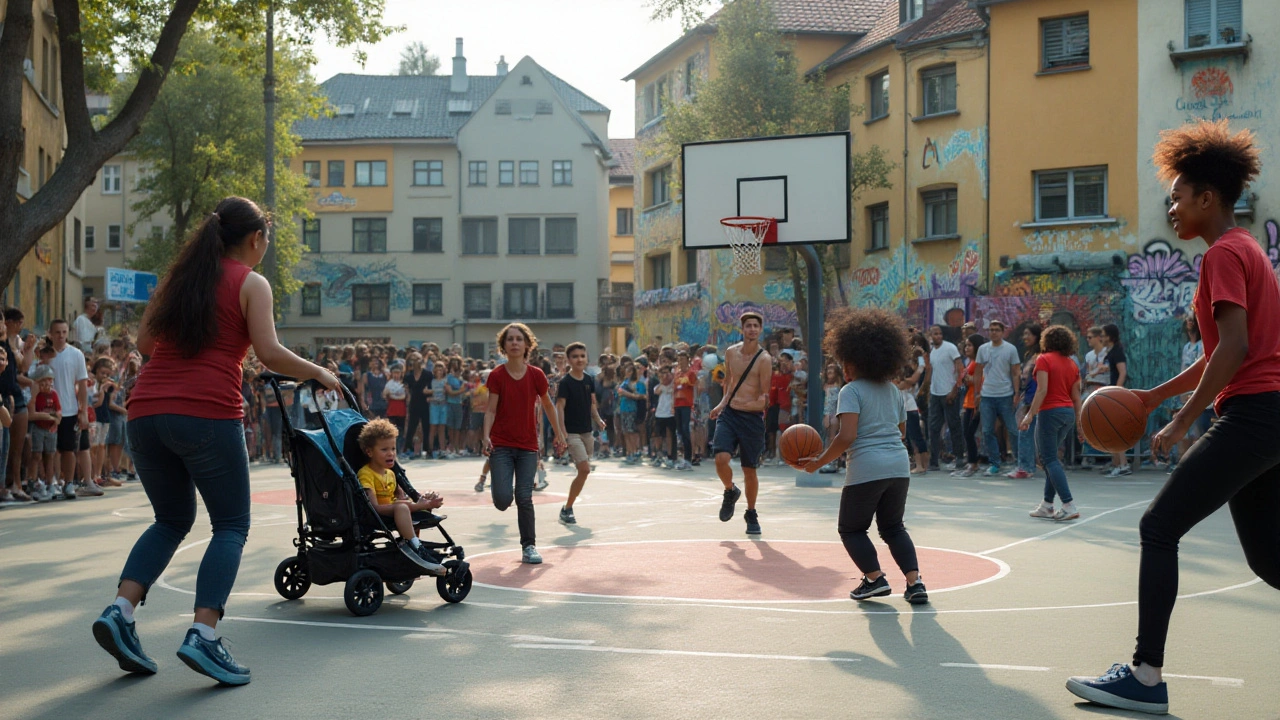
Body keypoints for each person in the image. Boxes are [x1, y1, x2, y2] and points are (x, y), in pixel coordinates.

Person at [1068, 120, 1280, 715]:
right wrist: (1150, 398)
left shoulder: (1222, 256)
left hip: (1255, 413)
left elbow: (1234, 351)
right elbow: (1221, 352)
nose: (1171, 205)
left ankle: (1144, 676)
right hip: (1268, 413)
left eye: (1178, 195)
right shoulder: (1246, 251)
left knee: (1158, 528)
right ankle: (1144, 675)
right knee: (1270, 559)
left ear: (1207, 198)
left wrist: (1183, 421)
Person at [92, 197, 339, 686]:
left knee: (170, 520)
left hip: (146, 412)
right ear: (256, 239)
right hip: (205, 413)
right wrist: (319, 373)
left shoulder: (176, 281)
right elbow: (268, 351)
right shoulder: (251, 283)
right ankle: (204, 635)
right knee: (230, 525)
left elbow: (144, 346)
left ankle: (121, 610)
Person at [801, 308, 928, 605]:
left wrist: (817, 463)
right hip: (899, 466)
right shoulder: (894, 392)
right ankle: (915, 582)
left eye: (846, 361)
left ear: (857, 359)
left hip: (867, 467)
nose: (843, 366)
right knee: (893, 527)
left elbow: (847, 436)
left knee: (851, 528)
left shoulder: (851, 390)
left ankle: (874, 578)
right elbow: (900, 432)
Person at [482, 323, 566, 565]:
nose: (515, 343)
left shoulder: (536, 375)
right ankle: (499, 484)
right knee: (502, 500)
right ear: (504, 345)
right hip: (501, 445)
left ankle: (529, 546)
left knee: (524, 497)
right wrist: (485, 435)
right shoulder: (497, 375)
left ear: (527, 345)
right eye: (510, 339)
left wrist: (559, 434)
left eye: (519, 339)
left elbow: (548, 405)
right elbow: (490, 410)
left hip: (528, 446)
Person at [709, 311, 773, 536]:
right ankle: (730, 490)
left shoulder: (764, 360)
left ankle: (751, 513)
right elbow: (730, 383)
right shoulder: (730, 353)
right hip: (730, 413)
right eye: (749, 326)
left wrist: (747, 404)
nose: (752, 329)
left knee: (749, 470)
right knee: (720, 459)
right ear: (743, 329)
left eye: (756, 325)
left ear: (760, 329)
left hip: (752, 418)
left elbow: (764, 398)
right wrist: (721, 404)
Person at [355, 418, 445, 574]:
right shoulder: (366, 474)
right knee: (403, 508)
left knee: (405, 506)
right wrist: (417, 505)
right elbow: (374, 507)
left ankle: (411, 544)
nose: (391, 453)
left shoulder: (390, 474)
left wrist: (421, 500)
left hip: (395, 513)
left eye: (393, 449)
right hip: (376, 515)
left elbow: (401, 498)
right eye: (384, 450)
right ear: (369, 452)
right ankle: (416, 547)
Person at [1018, 324, 1083, 522]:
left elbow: (1042, 390)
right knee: (1051, 458)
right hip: (1068, 414)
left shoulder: (1043, 359)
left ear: (1045, 341)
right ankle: (1047, 505)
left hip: (1050, 412)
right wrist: (1080, 424)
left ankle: (1068, 504)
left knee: (1048, 460)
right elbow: (1076, 397)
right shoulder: (1072, 364)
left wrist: (1029, 415)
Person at [556, 342, 606, 524]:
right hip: (572, 432)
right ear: (569, 360)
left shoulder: (588, 380)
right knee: (584, 469)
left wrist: (598, 419)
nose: (579, 359)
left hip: (587, 432)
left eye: (582, 356)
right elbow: (559, 407)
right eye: (575, 356)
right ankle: (567, 509)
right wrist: (562, 432)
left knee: (583, 472)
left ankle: (567, 508)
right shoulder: (565, 382)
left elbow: (592, 404)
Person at [48, 319, 99, 498]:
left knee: (68, 449)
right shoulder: (45, 354)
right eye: (57, 332)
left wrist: (83, 411)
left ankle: (69, 483)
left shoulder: (76, 354)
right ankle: (53, 482)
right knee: (51, 450)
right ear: (50, 334)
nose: (61, 336)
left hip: (69, 410)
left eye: (64, 332)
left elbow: (83, 385)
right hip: (48, 411)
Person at [975, 320, 1022, 476]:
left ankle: (1018, 462)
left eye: (997, 330)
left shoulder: (1010, 349)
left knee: (1012, 430)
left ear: (1003, 331)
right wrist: (977, 392)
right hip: (987, 395)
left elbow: (1016, 372)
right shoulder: (983, 349)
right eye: (991, 330)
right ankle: (995, 463)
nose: (993, 332)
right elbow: (977, 372)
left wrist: (1016, 392)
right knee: (988, 430)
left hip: (1005, 395)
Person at [1170, 314, 1211, 473]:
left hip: (1200, 393)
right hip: (1187, 393)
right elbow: (1183, 371)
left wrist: (1196, 392)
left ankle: (1200, 463)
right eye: (1187, 320)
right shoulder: (1187, 347)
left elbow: (1203, 370)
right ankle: (1184, 463)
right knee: (1187, 429)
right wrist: (1181, 391)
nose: (1189, 323)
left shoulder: (1202, 345)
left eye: (1192, 320)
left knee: (1200, 431)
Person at [926, 324, 964, 472]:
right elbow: (932, 372)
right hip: (936, 393)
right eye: (935, 334)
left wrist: (955, 389)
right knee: (934, 428)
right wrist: (928, 390)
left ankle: (959, 457)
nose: (938, 336)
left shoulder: (950, 348)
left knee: (954, 425)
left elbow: (960, 370)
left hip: (949, 392)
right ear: (930, 336)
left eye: (940, 334)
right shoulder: (932, 351)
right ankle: (934, 461)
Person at [1101, 323, 1131, 476]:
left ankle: (1123, 464)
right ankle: (1117, 463)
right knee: (1111, 430)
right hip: (1110, 393)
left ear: (1110, 336)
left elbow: (1122, 372)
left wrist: (1116, 392)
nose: (1102, 338)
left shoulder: (1117, 351)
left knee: (1115, 430)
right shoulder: (1111, 352)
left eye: (1105, 335)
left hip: (1115, 395)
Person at [953, 334, 985, 478]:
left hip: (975, 403)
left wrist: (968, 378)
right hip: (968, 401)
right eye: (966, 345)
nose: (967, 348)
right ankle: (971, 461)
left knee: (969, 433)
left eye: (970, 345)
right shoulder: (971, 362)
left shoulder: (979, 362)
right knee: (967, 433)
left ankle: (973, 463)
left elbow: (980, 380)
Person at [765, 353, 794, 466]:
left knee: (783, 429)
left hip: (784, 404)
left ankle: (783, 455)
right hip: (772, 404)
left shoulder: (789, 375)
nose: (783, 363)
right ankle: (772, 453)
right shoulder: (773, 375)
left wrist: (787, 367)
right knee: (771, 430)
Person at [671, 351, 696, 470]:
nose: (681, 362)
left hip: (686, 404)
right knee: (679, 431)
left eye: (683, 359)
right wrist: (672, 405)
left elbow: (694, 386)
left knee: (686, 430)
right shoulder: (677, 373)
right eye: (679, 359)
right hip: (677, 404)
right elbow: (674, 389)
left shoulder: (691, 373)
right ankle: (682, 458)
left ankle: (688, 459)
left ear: (688, 359)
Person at [617, 365, 644, 464]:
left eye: (629, 371)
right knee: (625, 432)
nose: (627, 373)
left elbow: (638, 396)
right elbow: (619, 393)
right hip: (623, 409)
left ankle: (633, 451)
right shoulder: (625, 382)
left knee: (631, 431)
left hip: (631, 409)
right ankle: (629, 452)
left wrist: (626, 393)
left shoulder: (637, 384)